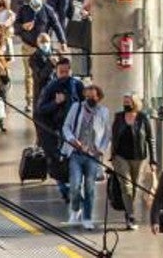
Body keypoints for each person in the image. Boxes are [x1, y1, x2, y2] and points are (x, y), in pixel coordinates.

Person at [61, 84, 110, 229]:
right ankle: (75, 210)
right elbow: (66, 126)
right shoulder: (76, 108)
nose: (89, 99)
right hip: (76, 153)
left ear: (98, 97)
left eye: (92, 96)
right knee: (75, 185)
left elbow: (107, 134)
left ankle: (87, 217)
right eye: (87, 96)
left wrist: (101, 149)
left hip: (92, 156)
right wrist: (71, 140)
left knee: (89, 188)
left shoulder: (103, 112)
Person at [38, 59, 85, 203]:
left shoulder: (77, 85)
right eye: (61, 72)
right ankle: (64, 189)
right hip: (58, 130)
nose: (64, 74)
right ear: (56, 72)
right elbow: (41, 109)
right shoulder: (51, 87)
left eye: (67, 71)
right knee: (60, 161)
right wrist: (56, 103)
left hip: (76, 130)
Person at [15, 0, 67, 109]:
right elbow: (15, 26)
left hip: (44, 48)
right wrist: (23, 27)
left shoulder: (47, 10)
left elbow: (56, 25)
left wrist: (63, 42)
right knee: (29, 74)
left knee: (46, 73)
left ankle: (46, 97)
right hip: (28, 46)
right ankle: (29, 100)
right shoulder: (24, 9)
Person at [112, 92, 157, 230]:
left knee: (135, 186)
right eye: (124, 101)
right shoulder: (118, 117)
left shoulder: (143, 118)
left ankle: (130, 211)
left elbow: (151, 139)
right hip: (121, 157)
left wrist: (153, 160)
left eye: (128, 101)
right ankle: (130, 215)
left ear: (135, 103)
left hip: (139, 157)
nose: (126, 103)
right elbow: (113, 136)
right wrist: (112, 155)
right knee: (126, 187)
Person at [29, 32, 58, 111]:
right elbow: (39, 76)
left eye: (47, 42)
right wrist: (50, 64)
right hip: (41, 91)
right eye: (42, 42)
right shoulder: (34, 58)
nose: (45, 44)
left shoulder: (56, 54)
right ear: (38, 44)